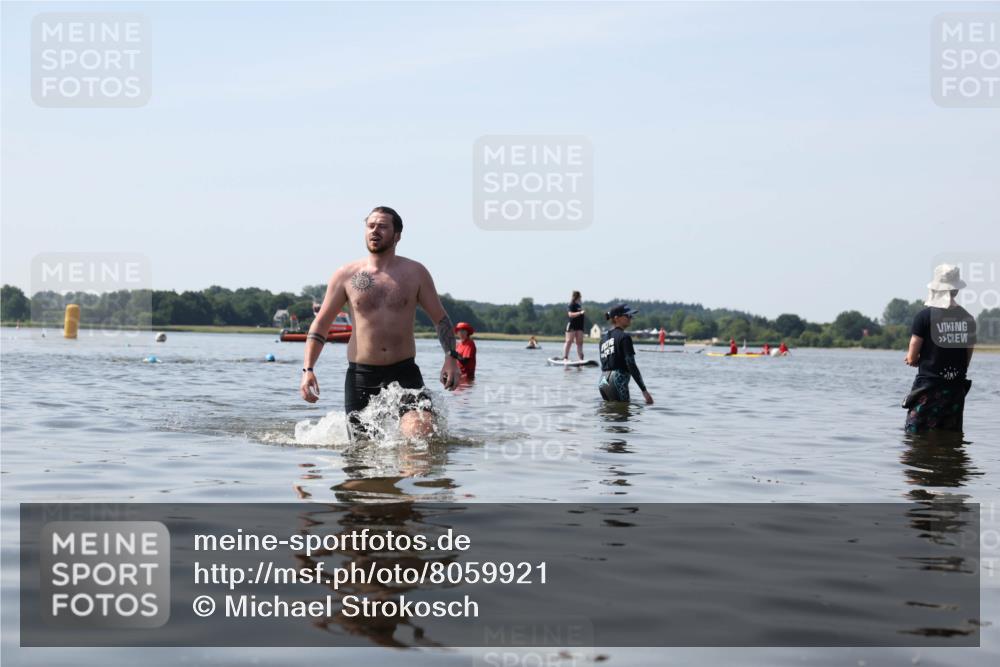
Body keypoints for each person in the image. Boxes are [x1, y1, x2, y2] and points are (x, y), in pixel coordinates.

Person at [299, 206, 462, 441]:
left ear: (397, 235)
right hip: (361, 376)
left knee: (420, 438)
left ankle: (411, 472)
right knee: (362, 457)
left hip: (404, 371)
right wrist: (308, 370)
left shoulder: (415, 273)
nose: (375, 231)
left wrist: (451, 358)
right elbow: (321, 324)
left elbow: (441, 319)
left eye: (383, 226)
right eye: (371, 225)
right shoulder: (346, 275)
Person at [903, 264, 976, 432]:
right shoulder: (968, 318)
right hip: (955, 389)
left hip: (928, 388)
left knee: (916, 437)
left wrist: (912, 359)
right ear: (956, 290)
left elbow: (913, 352)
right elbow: (968, 353)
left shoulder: (924, 317)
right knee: (950, 434)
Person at [598, 304, 653, 404]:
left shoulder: (603, 340)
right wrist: (644, 391)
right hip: (618, 380)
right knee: (623, 416)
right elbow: (631, 365)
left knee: (608, 414)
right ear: (616, 318)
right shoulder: (624, 337)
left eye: (631, 316)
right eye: (627, 316)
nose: (630, 318)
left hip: (602, 381)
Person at [562, 290, 586, 361]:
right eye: (580, 297)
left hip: (579, 326)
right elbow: (570, 314)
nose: (580, 298)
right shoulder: (571, 304)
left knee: (580, 342)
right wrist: (580, 313)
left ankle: (581, 358)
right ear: (577, 297)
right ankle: (565, 357)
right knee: (569, 341)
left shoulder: (579, 305)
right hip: (572, 325)